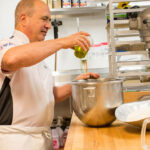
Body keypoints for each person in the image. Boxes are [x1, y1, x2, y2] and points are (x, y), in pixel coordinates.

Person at [0, 0, 100, 149]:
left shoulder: (38, 58)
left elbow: (50, 95)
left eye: (49, 20)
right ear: (23, 19)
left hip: (41, 138)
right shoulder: (8, 45)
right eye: (44, 19)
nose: (48, 25)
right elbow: (10, 60)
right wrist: (62, 42)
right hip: (16, 141)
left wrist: (77, 84)